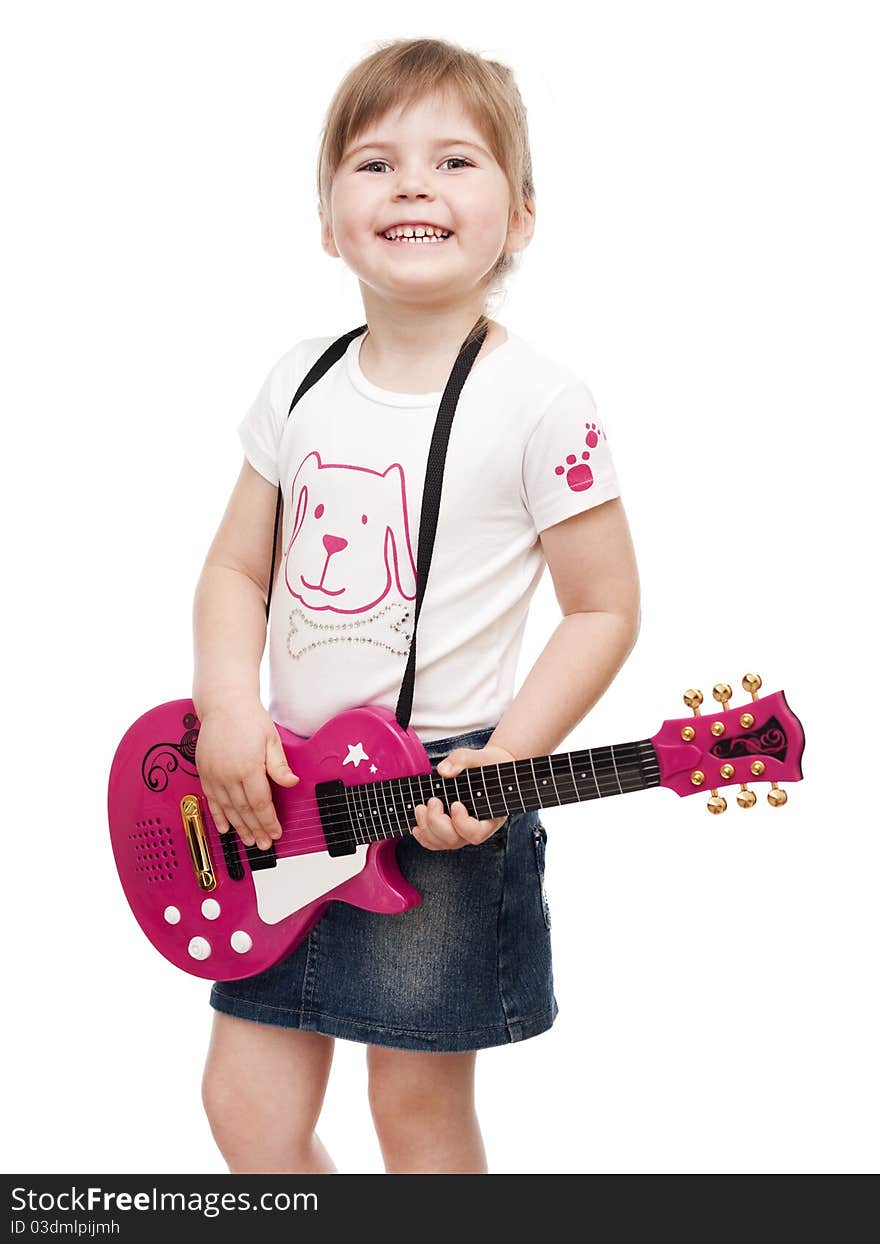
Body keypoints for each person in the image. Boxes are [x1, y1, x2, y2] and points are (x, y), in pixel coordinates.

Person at [193, 36, 641, 1175]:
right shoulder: (298, 377)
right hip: (279, 787)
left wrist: (504, 760)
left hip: (440, 796)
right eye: (374, 163)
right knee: (246, 1106)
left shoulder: (543, 401)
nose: (412, 187)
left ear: (522, 216)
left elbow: (602, 608)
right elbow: (237, 569)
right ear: (328, 214)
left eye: (454, 161)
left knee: (417, 1114)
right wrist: (226, 709)